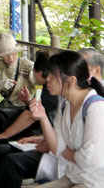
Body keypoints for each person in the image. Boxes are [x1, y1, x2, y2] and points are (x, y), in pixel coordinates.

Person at [0, 51, 60, 187]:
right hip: (41, 136)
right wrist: (28, 101)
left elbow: (30, 116)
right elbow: (37, 111)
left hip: (42, 139)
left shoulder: (50, 90)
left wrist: (5, 134)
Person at [26, 50, 104, 188]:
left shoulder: (96, 108)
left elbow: (90, 161)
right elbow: (58, 149)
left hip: (95, 181)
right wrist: (42, 117)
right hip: (74, 176)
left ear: (71, 80)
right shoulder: (65, 105)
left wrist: (71, 154)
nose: (48, 78)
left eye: (52, 74)